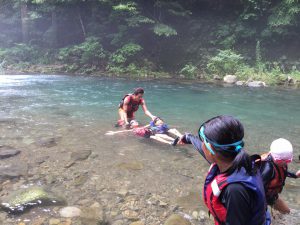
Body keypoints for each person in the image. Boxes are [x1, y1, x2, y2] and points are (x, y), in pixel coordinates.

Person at [177, 115, 270, 225]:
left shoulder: (235, 190)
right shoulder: (238, 162)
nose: (201, 145)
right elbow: (206, 153)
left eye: (203, 142)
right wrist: (189, 138)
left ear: (210, 149)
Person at [260, 138, 300, 214]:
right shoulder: (267, 169)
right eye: (280, 160)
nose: (284, 163)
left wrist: (295, 175)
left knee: (286, 211)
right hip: (262, 197)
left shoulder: (281, 162)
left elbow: (283, 172)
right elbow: (258, 188)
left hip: (272, 196)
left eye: (288, 160)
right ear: (272, 155)